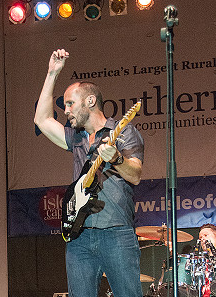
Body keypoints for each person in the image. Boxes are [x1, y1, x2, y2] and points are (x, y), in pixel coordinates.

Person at [34, 49, 144, 297]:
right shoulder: (77, 138)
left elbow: (135, 174)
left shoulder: (123, 132)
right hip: (79, 235)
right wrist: (52, 73)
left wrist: (115, 158)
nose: (66, 110)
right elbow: (42, 120)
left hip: (116, 233)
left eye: (70, 103)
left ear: (91, 101)